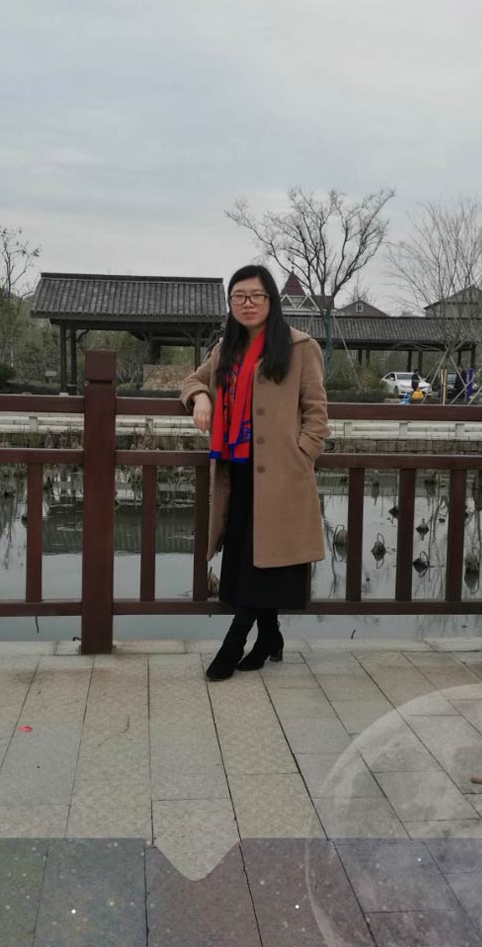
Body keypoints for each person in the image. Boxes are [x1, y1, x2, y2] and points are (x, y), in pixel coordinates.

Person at [179, 264, 330, 681]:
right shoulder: (225, 349)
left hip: (282, 476)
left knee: (265, 561)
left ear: (271, 301)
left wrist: (302, 454)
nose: (247, 303)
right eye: (238, 296)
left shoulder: (300, 347)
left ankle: (234, 643)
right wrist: (201, 398)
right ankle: (270, 637)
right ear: (230, 303)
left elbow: (317, 413)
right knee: (252, 561)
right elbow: (191, 380)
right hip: (238, 472)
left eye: (256, 296)